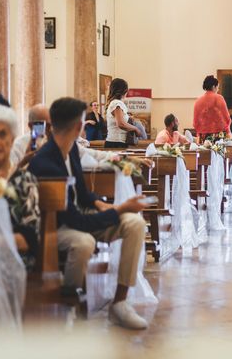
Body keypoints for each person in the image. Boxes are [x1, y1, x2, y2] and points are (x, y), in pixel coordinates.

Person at [28, 97, 150, 330]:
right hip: (54, 227)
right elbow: (75, 220)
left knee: (135, 224)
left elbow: (83, 193)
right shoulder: (45, 161)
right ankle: (69, 302)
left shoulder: (71, 148)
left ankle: (120, 303)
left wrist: (100, 204)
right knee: (83, 242)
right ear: (78, 127)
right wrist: (119, 209)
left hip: (76, 215)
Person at [0, 102, 40, 270]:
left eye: (1, 134)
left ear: (12, 139)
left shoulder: (24, 181)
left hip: (12, 264)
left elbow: (28, 239)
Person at [10, 104, 51, 169]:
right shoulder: (17, 146)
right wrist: (25, 160)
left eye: (49, 125)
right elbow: (9, 175)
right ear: (30, 125)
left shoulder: (53, 142)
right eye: (42, 125)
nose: (47, 129)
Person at [193, 75, 232, 142]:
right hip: (219, 136)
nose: (218, 89)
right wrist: (228, 131)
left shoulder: (198, 101)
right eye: (217, 87)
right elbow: (226, 118)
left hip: (204, 137)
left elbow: (196, 122)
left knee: (206, 152)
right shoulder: (219, 98)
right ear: (213, 86)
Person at [105, 78, 141, 148]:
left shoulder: (114, 103)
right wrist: (136, 129)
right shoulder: (117, 103)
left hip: (116, 142)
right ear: (124, 90)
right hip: (116, 143)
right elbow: (121, 124)